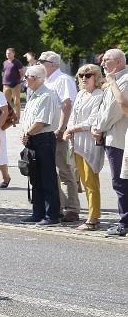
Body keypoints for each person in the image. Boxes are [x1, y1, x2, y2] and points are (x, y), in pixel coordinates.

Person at [38, 51, 81, 222]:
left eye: (42, 61)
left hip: (59, 132)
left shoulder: (63, 79)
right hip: (47, 131)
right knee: (51, 171)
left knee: (64, 170)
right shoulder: (46, 81)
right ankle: (59, 206)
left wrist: (62, 128)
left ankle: (72, 208)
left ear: (53, 64)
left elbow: (68, 104)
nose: (39, 64)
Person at [91, 48, 128, 237]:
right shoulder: (114, 80)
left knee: (120, 182)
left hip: (119, 138)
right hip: (112, 135)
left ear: (118, 62)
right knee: (119, 181)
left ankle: (125, 222)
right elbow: (103, 108)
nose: (103, 63)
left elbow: (115, 110)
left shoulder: (124, 80)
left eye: (106, 60)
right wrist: (97, 126)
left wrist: (99, 128)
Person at [64, 64, 105, 231]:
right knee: (81, 179)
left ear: (95, 77)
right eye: (81, 75)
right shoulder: (81, 94)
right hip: (77, 142)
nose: (83, 78)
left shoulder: (99, 95)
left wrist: (72, 128)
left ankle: (93, 218)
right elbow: (73, 116)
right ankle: (90, 214)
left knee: (90, 181)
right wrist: (69, 129)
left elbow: (93, 120)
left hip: (89, 142)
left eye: (87, 75)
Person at [19, 64, 62, 224]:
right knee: (35, 177)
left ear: (36, 79)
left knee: (47, 178)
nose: (24, 80)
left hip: (43, 139)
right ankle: (37, 212)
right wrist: (24, 133)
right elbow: (28, 119)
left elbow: (41, 121)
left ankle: (52, 215)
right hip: (33, 139)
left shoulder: (46, 95)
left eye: (27, 77)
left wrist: (28, 133)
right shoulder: (34, 95)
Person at [2, 48, 24, 124]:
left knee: (16, 102)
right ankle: (8, 118)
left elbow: (21, 73)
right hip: (6, 84)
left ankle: (17, 118)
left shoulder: (17, 62)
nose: (8, 54)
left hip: (15, 84)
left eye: (9, 53)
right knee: (6, 103)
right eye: (7, 53)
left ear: (13, 53)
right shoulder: (5, 62)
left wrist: (20, 81)